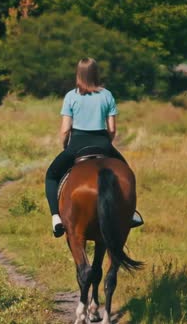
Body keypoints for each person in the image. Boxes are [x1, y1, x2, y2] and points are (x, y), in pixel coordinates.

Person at [45, 57, 143, 238]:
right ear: (96, 73)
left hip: (77, 145)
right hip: (103, 144)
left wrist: (66, 146)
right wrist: (107, 143)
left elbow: (65, 129)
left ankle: (56, 218)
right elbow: (112, 129)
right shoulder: (107, 95)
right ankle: (131, 213)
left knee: (51, 175)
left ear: (79, 74)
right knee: (126, 172)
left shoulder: (71, 96)